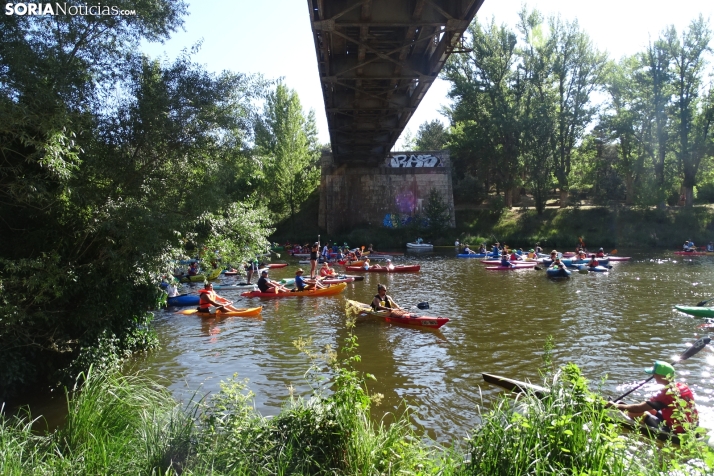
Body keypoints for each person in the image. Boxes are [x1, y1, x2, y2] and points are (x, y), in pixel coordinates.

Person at [607, 361, 698, 435]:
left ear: (662, 377)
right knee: (650, 409)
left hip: (677, 430)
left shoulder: (666, 394)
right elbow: (649, 405)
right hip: (692, 425)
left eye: (655, 374)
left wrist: (617, 406)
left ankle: (621, 417)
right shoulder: (683, 386)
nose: (653, 376)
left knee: (635, 413)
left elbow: (639, 408)